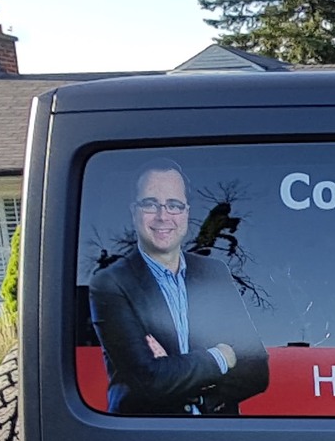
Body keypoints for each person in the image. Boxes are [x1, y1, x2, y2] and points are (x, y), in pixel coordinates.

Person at [89, 161, 269, 414]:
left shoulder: (214, 273)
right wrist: (222, 356)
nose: (163, 216)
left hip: (220, 435)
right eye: (151, 203)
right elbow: (151, 380)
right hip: (143, 440)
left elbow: (258, 369)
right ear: (134, 211)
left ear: (186, 212)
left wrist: (193, 391)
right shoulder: (110, 283)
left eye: (174, 205)